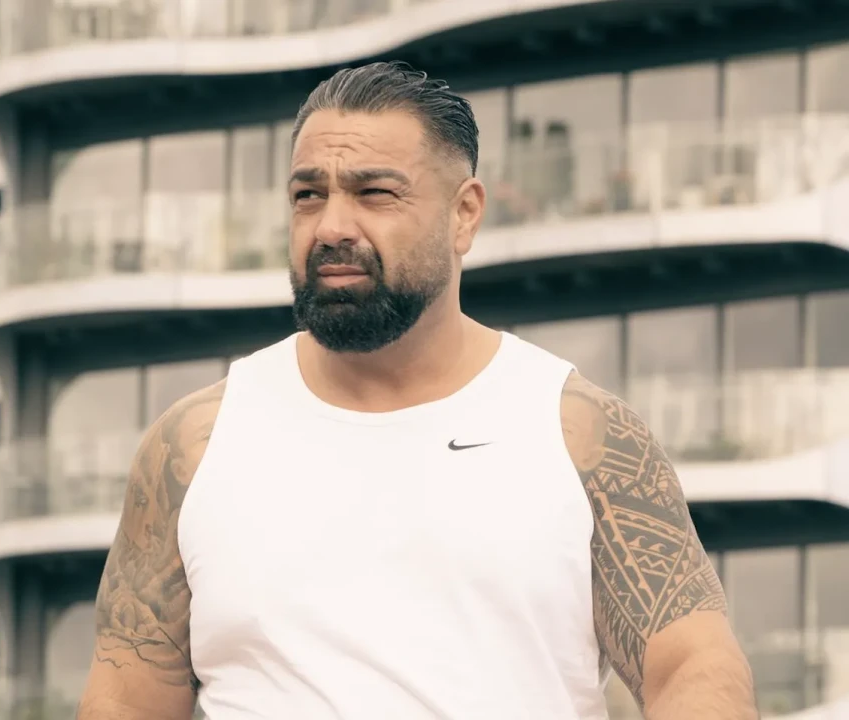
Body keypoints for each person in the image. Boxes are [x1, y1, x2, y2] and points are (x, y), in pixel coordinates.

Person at [76, 61, 757, 720]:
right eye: (308, 195)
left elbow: (693, 669)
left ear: (464, 214)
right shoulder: (193, 445)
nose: (332, 227)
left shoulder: (580, 433)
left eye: (374, 193)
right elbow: (125, 701)